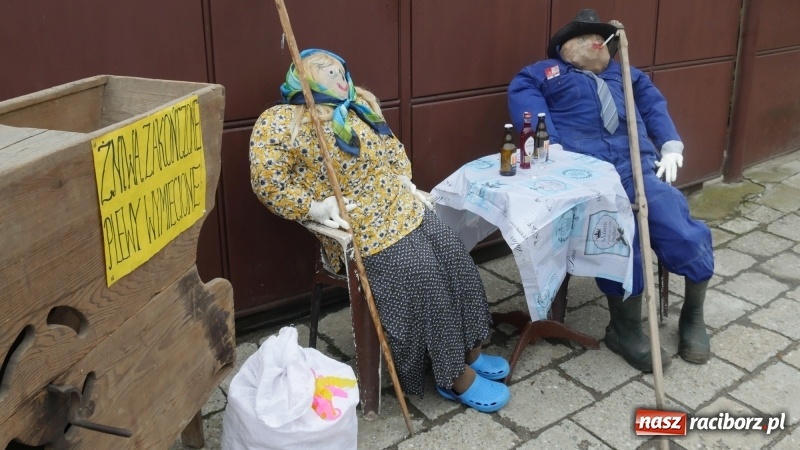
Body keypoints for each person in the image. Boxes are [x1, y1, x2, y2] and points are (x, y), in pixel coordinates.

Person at [250, 48, 510, 412]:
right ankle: (452, 375)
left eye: (342, 71)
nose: (341, 79)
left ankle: (470, 348)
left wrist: (403, 179)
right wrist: (313, 207)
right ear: (304, 79)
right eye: (327, 73)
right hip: (358, 224)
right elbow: (268, 182)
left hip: (398, 203)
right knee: (423, 273)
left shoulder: (359, 105)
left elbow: (391, 149)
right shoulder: (281, 121)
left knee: (453, 254)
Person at [508, 9, 715, 371]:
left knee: (676, 220)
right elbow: (527, 104)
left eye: (602, 37)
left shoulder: (628, 75)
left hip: (636, 167)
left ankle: (693, 315)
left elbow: (654, 107)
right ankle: (624, 328)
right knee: (621, 234)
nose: (596, 41)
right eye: (586, 35)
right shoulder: (543, 73)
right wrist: (549, 147)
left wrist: (670, 145)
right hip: (585, 175)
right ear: (562, 47)